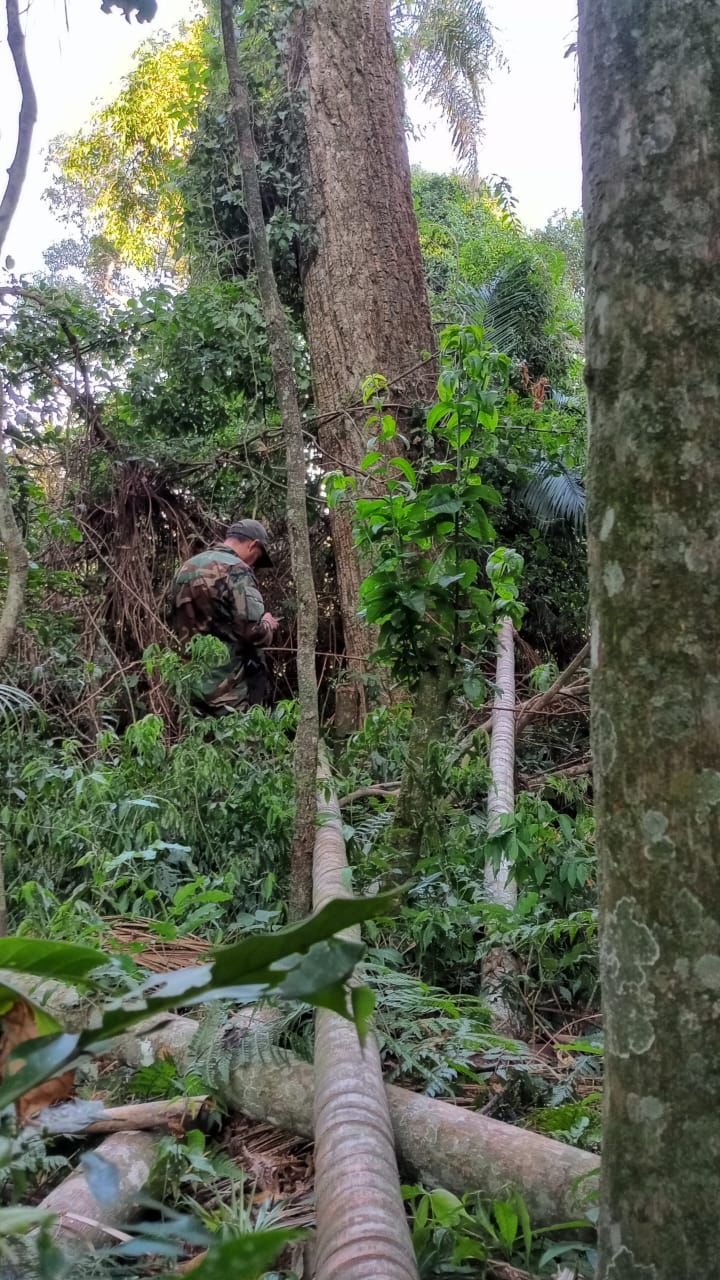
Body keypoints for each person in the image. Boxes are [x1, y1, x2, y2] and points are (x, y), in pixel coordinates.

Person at [169, 518, 280, 713]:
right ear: (253, 545)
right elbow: (252, 632)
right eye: (257, 557)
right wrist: (268, 624)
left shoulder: (185, 568)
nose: (254, 565)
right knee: (236, 742)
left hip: (190, 685)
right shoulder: (237, 570)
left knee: (197, 742)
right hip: (229, 691)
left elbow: (174, 619)